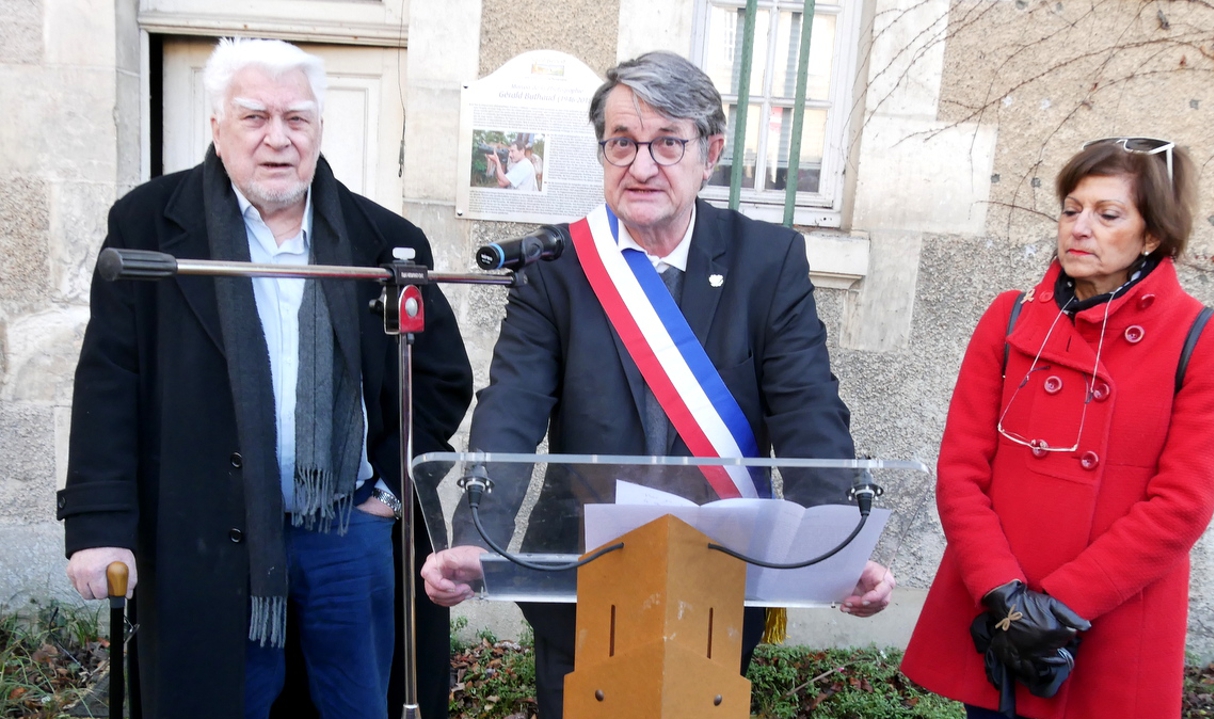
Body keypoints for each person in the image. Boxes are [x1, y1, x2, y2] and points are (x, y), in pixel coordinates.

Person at [422, 51, 895, 719]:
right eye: (623, 142)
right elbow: (512, 408)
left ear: (711, 152)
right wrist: (475, 533)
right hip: (582, 572)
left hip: (720, 571)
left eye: (667, 141)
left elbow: (807, 406)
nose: (642, 165)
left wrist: (834, 540)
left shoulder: (768, 259)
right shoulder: (555, 264)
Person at [57, 37, 473, 719]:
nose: (277, 139)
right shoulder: (150, 227)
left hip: (348, 532)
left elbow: (439, 379)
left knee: (357, 704)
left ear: (318, 129)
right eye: (254, 118)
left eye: (297, 119)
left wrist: (392, 491)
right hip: (208, 533)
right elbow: (110, 380)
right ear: (216, 126)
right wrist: (100, 523)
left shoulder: (385, 240)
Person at [900, 138, 1214, 719]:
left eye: (1108, 215)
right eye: (1071, 209)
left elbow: (1183, 503)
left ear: (1151, 234)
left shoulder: (1200, 337)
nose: (1080, 228)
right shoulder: (1008, 316)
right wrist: (1004, 596)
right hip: (1000, 604)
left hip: (1107, 617)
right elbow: (960, 471)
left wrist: (1058, 606)